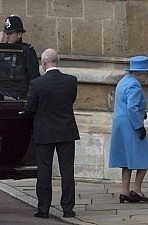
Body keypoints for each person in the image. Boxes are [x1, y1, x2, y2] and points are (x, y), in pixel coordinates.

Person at [24, 48, 80, 218]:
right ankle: (68, 209)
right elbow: (70, 101)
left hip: (45, 131)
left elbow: (30, 109)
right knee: (67, 171)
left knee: (44, 171)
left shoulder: (37, 83)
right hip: (66, 130)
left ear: (44, 63)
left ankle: (43, 209)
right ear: (58, 61)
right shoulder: (71, 81)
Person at [109, 55, 148, 203]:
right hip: (131, 125)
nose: (147, 76)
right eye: (146, 73)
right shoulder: (135, 85)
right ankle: (136, 189)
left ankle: (124, 191)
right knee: (145, 158)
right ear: (138, 73)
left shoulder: (123, 81)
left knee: (127, 160)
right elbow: (132, 108)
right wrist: (139, 126)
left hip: (120, 124)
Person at [0, 15, 40, 166]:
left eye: (11, 34)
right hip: (3, 100)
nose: (8, 36)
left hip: (20, 101)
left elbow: (34, 79)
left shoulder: (26, 51)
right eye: (7, 33)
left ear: (19, 34)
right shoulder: (1, 50)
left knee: (18, 138)